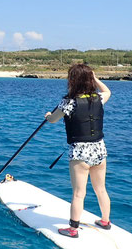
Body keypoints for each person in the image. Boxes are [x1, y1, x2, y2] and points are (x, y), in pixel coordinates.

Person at [44, 64, 112, 238]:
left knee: (78, 193)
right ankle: (105, 221)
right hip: (99, 150)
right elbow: (108, 91)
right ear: (90, 80)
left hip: (80, 153)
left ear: (73, 80)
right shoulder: (98, 97)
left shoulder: (69, 102)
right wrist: (95, 78)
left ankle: (73, 229)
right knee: (101, 189)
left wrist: (47, 116)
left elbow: (52, 119)